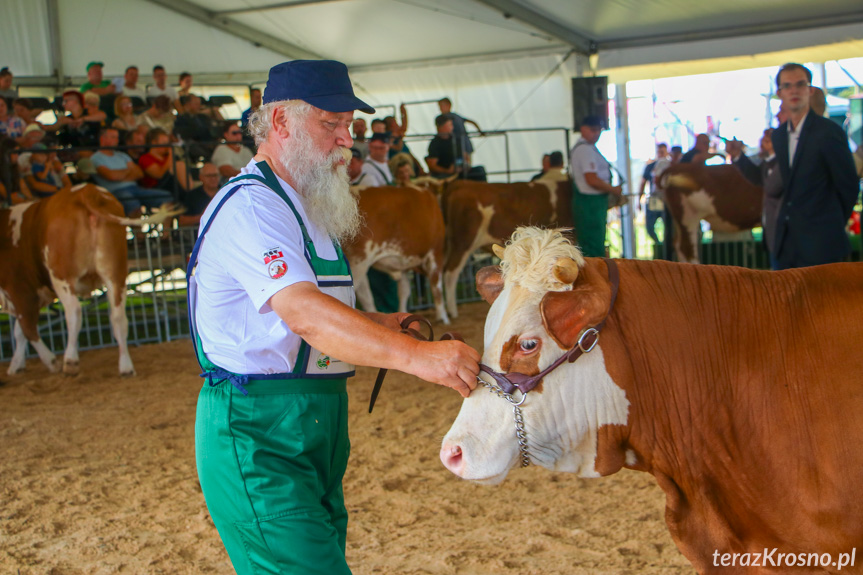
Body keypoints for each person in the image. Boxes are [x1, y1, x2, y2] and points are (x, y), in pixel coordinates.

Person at [189, 59, 479, 575]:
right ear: (280, 123)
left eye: (349, 125)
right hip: (258, 428)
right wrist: (418, 357)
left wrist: (383, 326)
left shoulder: (306, 204)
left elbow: (318, 315)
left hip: (316, 421)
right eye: (331, 124)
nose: (348, 140)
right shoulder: (253, 206)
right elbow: (304, 315)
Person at [770, 62, 859, 270]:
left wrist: (830, 223)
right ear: (780, 93)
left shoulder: (829, 132)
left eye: (800, 84)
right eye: (788, 86)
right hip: (787, 245)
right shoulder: (779, 136)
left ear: (810, 90)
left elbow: (848, 185)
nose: (794, 90)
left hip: (823, 244)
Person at [569, 114, 622, 258]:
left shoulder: (588, 148)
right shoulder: (584, 150)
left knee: (594, 242)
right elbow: (591, 179)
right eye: (593, 130)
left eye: (599, 130)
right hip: (590, 202)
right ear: (583, 129)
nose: (596, 134)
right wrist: (613, 190)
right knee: (592, 245)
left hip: (592, 202)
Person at [90, 127, 172, 215]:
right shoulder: (95, 158)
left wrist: (119, 174)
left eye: (117, 137)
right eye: (113, 137)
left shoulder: (122, 155)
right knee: (133, 205)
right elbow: (111, 176)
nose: (116, 140)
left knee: (167, 197)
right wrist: (128, 171)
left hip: (135, 188)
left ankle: (166, 228)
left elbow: (139, 173)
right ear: (103, 138)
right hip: (115, 192)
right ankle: (137, 228)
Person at [138, 128, 193, 192]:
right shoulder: (145, 158)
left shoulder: (166, 157)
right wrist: (171, 154)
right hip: (157, 188)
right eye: (164, 143)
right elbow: (159, 175)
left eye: (168, 143)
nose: (167, 146)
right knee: (179, 165)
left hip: (173, 185)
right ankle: (190, 193)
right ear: (154, 142)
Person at [759, 128, 782, 270]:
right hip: (772, 231)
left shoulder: (781, 163)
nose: (763, 144)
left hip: (780, 230)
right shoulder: (766, 163)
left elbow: (771, 187)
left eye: (767, 140)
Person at [638, 143, 669, 246]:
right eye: (659, 152)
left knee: (669, 226)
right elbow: (643, 182)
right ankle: (659, 245)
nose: (660, 154)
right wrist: (639, 199)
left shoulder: (670, 165)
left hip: (667, 200)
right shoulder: (650, 166)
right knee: (650, 226)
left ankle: (666, 246)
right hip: (654, 199)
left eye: (662, 152)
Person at [438, 97, 481, 162]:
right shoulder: (455, 116)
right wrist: (480, 131)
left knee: (464, 164)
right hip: (458, 146)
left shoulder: (449, 117)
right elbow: (472, 122)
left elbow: (472, 122)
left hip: (460, 146)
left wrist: (480, 131)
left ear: (449, 105)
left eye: (442, 106)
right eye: (440, 106)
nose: (440, 108)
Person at [178, 162, 219, 227]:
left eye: (215, 175)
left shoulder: (226, 192)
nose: (213, 178)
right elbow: (181, 221)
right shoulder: (192, 196)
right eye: (209, 176)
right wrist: (203, 217)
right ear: (201, 177)